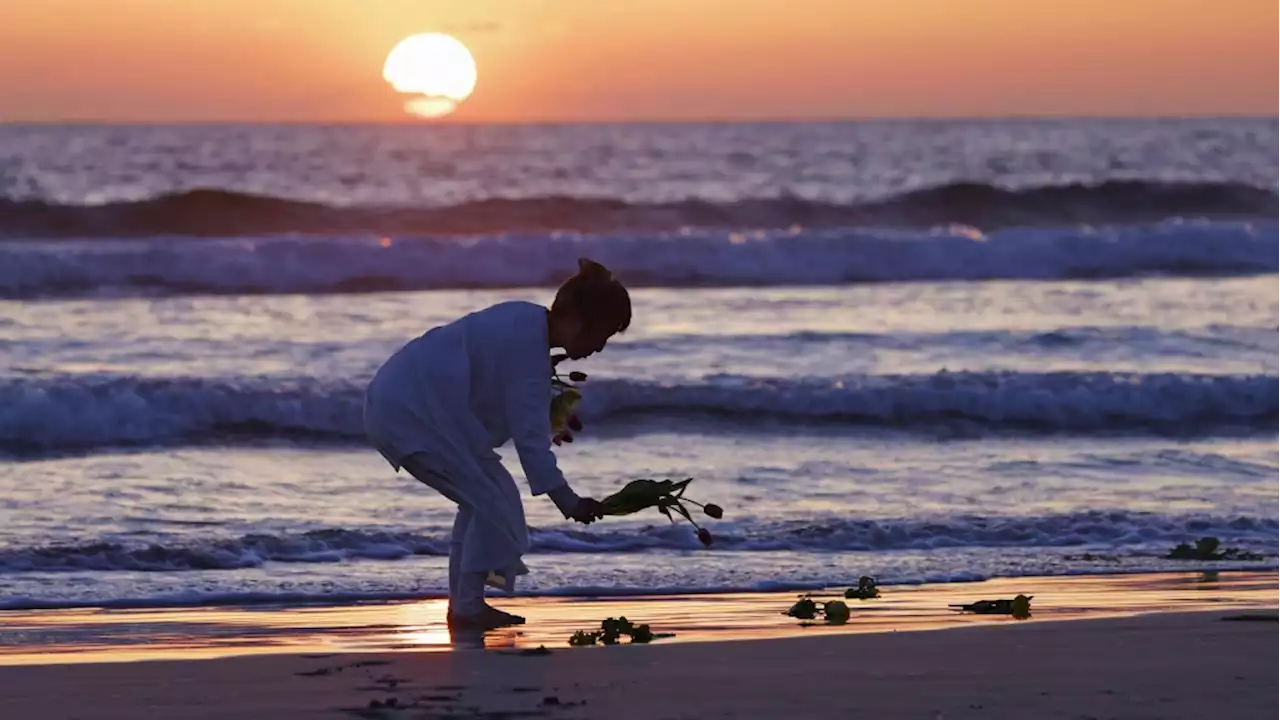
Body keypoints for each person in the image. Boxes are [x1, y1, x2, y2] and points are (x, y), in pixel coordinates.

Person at [363, 257, 631, 629]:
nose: (599, 347)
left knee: (485, 500)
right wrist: (569, 502)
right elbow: (530, 441)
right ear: (572, 318)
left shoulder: (526, 324)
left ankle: (465, 605)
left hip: (411, 407)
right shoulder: (528, 348)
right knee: (491, 500)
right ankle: (468, 608)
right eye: (599, 334)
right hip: (412, 412)